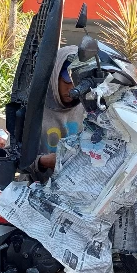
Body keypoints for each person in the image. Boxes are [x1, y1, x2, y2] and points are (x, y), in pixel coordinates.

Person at [27, 45, 85, 183]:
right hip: (37, 187)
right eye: (66, 80)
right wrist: (42, 162)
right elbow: (12, 155)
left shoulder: (88, 108)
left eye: (76, 82)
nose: (71, 88)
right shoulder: (33, 109)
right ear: (55, 75)